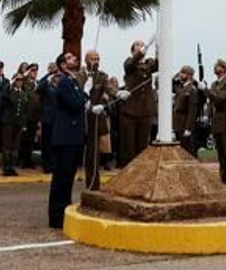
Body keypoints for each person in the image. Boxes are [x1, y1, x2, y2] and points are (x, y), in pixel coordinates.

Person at [45, 53, 87, 229]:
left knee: (68, 178)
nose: (75, 60)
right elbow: (75, 104)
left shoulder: (73, 82)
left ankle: (64, 213)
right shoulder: (64, 82)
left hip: (73, 137)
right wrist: (85, 94)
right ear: (62, 65)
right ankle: (56, 218)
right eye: (70, 58)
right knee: (61, 179)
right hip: (65, 137)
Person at [116, 41, 157, 166]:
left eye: (142, 44)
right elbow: (130, 65)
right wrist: (139, 54)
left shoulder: (149, 63)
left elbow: (159, 65)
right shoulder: (129, 62)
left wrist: (159, 50)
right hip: (130, 111)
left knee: (143, 146)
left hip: (145, 110)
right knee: (129, 146)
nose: (141, 46)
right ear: (133, 50)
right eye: (138, 45)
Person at [79, 51, 113, 189]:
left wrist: (119, 93)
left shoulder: (102, 76)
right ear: (86, 60)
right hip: (81, 117)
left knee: (94, 153)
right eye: (93, 59)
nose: (96, 61)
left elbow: (109, 89)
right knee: (84, 152)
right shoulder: (79, 75)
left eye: (98, 58)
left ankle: (93, 184)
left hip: (96, 118)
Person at [206, 59, 226, 191]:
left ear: (224, 68)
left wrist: (206, 91)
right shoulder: (214, 84)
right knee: (221, 157)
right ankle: (223, 184)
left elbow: (219, 98)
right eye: (215, 65)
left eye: (218, 66)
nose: (215, 67)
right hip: (217, 122)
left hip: (225, 122)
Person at [0, 67, 34, 177]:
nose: (19, 82)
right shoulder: (9, 92)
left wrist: (24, 124)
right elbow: (3, 96)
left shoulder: (24, 93)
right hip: (8, 121)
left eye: (21, 81)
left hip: (19, 123)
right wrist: (10, 84)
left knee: (15, 146)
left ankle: (12, 167)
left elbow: (25, 109)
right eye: (17, 80)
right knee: (7, 145)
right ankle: (6, 167)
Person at [171, 65, 201, 154]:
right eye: (181, 72)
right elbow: (171, 83)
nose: (181, 75)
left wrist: (188, 128)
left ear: (190, 76)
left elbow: (192, 111)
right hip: (178, 123)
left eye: (183, 73)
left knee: (187, 151)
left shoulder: (192, 90)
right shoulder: (181, 87)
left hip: (185, 122)